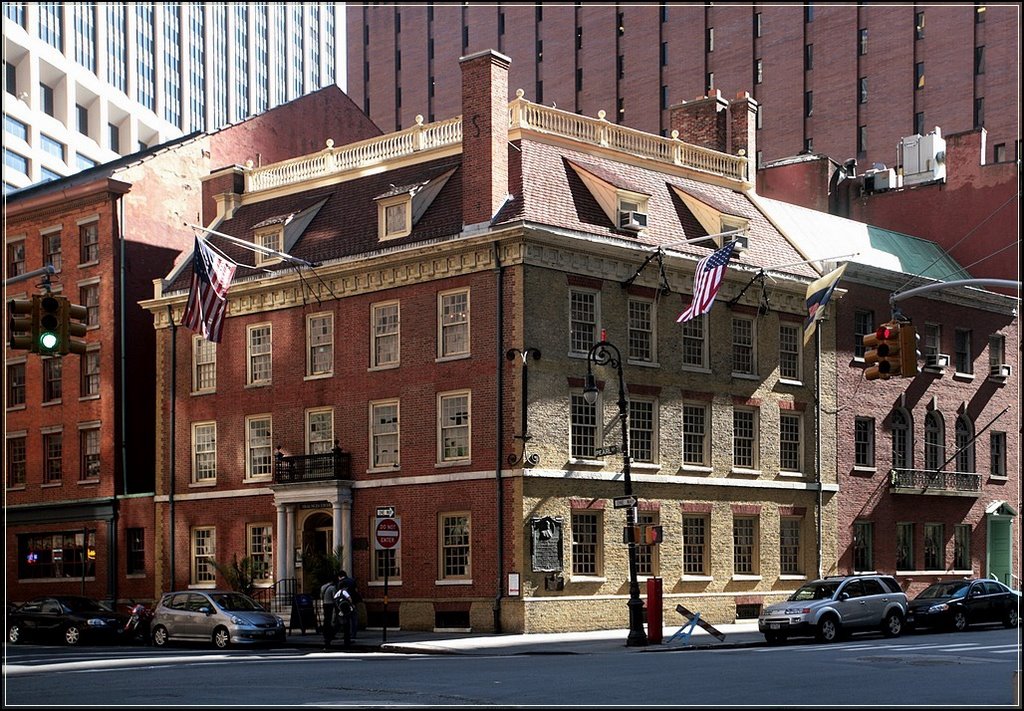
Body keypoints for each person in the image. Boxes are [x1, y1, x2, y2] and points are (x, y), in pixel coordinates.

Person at [334, 571, 360, 645]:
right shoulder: (352, 581)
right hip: (354, 602)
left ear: (339, 576)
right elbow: (356, 591)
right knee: (354, 619)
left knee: (344, 620)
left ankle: (345, 634)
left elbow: (338, 595)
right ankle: (353, 634)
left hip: (344, 605)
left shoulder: (340, 583)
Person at [320, 574, 341, 650]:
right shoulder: (332, 588)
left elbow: (321, 596)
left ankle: (325, 632)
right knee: (331, 620)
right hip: (331, 604)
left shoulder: (323, 587)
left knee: (326, 619)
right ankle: (330, 634)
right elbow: (335, 597)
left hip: (325, 604)